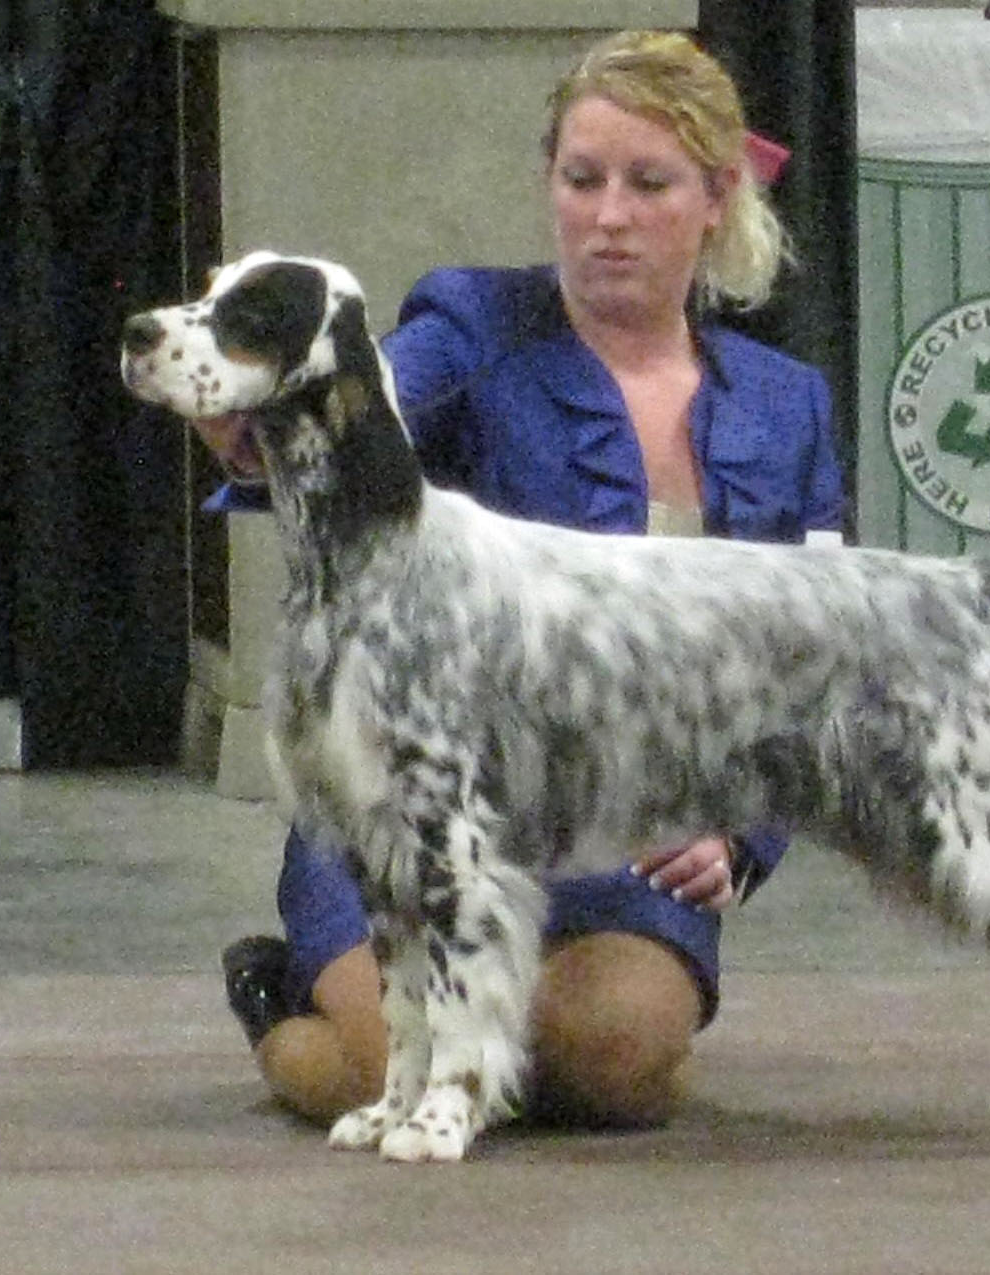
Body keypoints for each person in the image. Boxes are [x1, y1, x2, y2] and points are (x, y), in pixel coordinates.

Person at [209, 29, 846, 1132]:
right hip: (413, 819)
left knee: (609, 1061)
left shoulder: (786, 402)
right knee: (384, 1067)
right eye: (579, 179)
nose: (607, 216)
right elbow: (369, 414)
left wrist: (742, 830)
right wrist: (266, 426)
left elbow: (819, 651)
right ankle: (290, 998)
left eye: (647, 185)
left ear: (713, 199)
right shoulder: (467, 322)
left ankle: (500, 1040)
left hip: (616, 836)